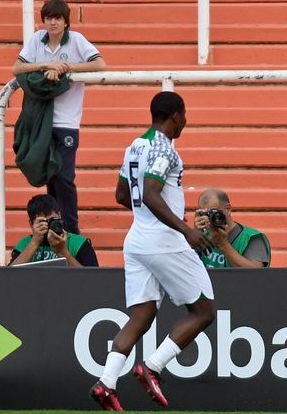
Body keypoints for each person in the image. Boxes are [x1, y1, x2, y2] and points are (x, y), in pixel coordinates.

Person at [89, 91, 215, 411]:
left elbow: (122, 194)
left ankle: (106, 382)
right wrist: (186, 229)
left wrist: (149, 212)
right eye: (184, 116)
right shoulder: (164, 148)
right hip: (165, 242)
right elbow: (150, 193)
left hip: (136, 241)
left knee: (142, 315)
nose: (185, 122)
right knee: (204, 312)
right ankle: (153, 367)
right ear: (175, 116)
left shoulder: (136, 145)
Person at [11, 0, 107, 235]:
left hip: (66, 122)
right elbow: (17, 68)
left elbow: (99, 65)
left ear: (66, 22)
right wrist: (47, 64)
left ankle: (72, 229)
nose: (52, 22)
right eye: (48, 18)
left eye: (57, 18)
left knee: (64, 176)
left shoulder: (76, 40)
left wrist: (66, 67)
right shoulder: (36, 40)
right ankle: (55, 228)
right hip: (41, 122)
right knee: (51, 178)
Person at [7, 194, 98, 267]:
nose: (48, 226)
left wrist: (63, 252)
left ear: (59, 215)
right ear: (31, 224)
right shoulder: (25, 244)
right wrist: (34, 243)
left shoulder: (78, 243)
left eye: (52, 220)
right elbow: (9, 277)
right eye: (42, 222)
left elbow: (92, 280)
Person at [194, 188, 271, 268]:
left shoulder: (252, 238)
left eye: (214, 212)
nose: (210, 218)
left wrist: (223, 244)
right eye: (205, 214)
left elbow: (256, 274)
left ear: (228, 209)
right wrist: (193, 239)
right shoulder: (202, 236)